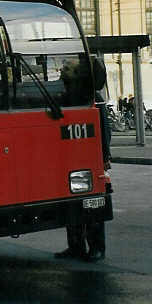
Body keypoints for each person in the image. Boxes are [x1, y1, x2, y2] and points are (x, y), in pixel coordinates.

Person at [55, 56, 110, 262]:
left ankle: (96, 247)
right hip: (71, 155)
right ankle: (76, 246)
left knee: (92, 202)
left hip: (88, 155)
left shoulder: (90, 97)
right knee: (72, 202)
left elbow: (103, 128)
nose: (61, 71)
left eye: (66, 69)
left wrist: (104, 156)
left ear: (77, 74)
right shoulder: (69, 95)